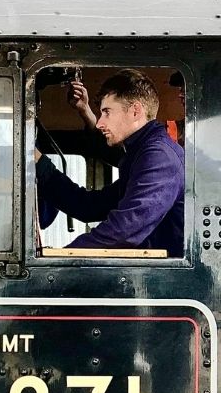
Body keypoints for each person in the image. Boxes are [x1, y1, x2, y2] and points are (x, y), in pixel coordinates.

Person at [35, 69, 184, 257]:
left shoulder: (159, 156)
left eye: (107, 112)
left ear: (135, 111)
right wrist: (40, 164)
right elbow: (88, 206)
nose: (99, 123)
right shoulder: (140, 156)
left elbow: (124, 230)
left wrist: (60, 259)